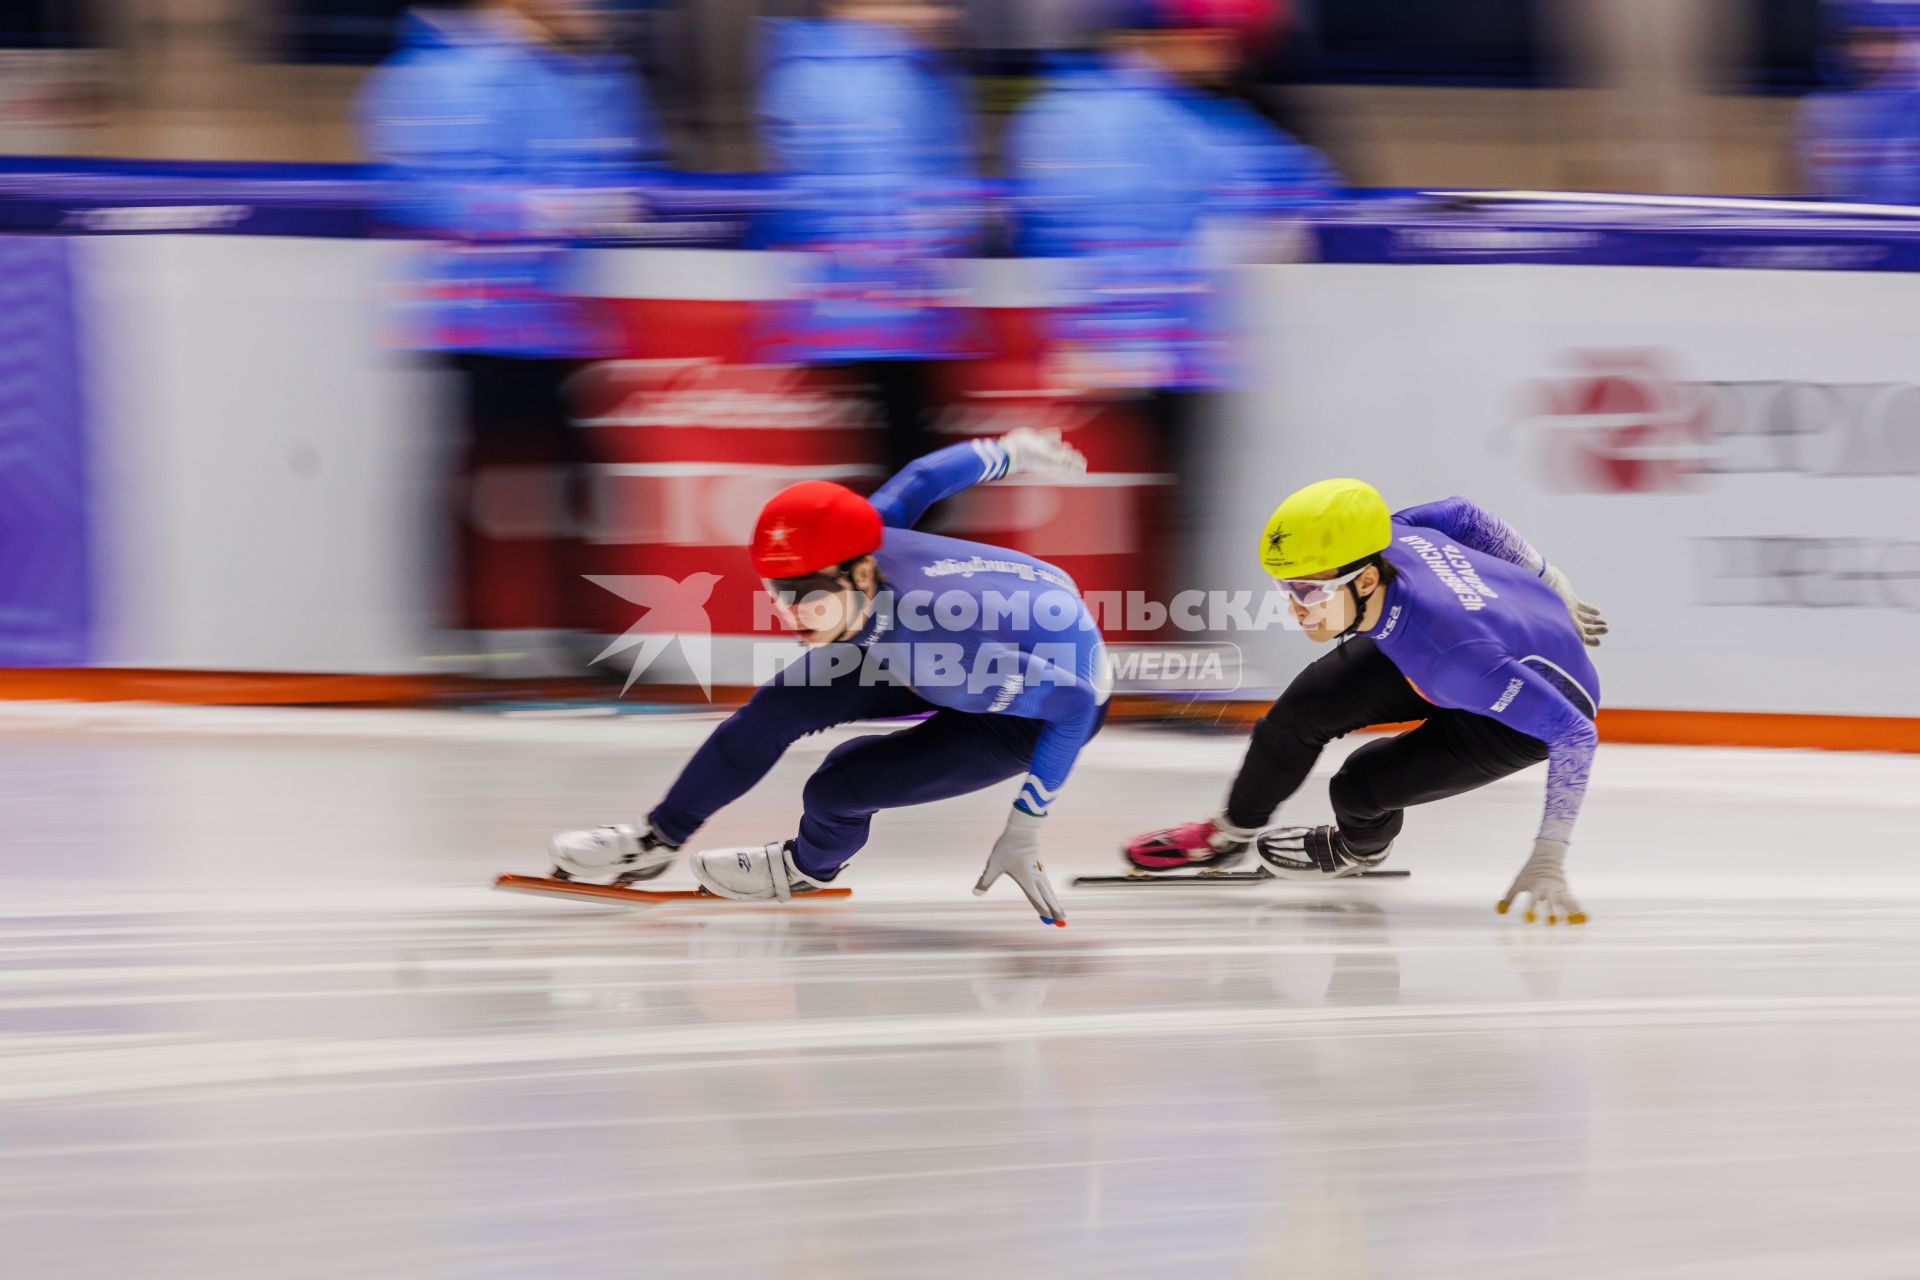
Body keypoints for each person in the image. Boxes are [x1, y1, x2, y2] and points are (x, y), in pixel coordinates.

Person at [546, 429, 1108, 926]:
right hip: (971, 632)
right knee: (776, 707)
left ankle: (805, 868)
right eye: (779, 594)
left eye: (807, 596)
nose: (792, 614)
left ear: (860, 574)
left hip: (1031, 701)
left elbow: (1076, 705)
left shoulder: (938, 651)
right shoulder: (862, 540)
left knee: (841, 784)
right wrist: (1010, 450)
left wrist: (1025, 827)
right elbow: (923, 476)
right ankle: (655, 839)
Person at [1124, 480, 1608, 925]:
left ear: (1367, 581)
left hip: (1511, 709)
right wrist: (1551, 577)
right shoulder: (1386, 540)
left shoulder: (1453, 657)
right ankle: (1230, 835)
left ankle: (1360, 848)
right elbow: (1464, 514)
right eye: (1285, 589)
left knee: (1359, 786)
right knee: (1297, 716)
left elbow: (1575, 734)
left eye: (1310, 591)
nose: (1296, 609)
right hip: (1449, 644)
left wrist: (1550, 851)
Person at [356, 0, 662, 671]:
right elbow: (420, 191)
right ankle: (466, 640)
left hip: (555, 313)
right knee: (486, 471)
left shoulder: (578, 71)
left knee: (576, 472)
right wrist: (538, 208)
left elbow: (622, 167)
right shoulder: (438, 73)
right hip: (475, 312)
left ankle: (578, 634)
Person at [756, 0, 982, 478]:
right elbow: (836, 188)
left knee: (909, 455)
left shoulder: (916, 67)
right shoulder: (831, 73)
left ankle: (880, 544)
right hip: (871, 300)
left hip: (901, 303)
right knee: (905, 456)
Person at [1800, 0, 1920, 204]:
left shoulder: (1911, 109)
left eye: (1876, 38)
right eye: (1851, 39)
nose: (1861, 51)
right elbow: (1808, 197)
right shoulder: (1818, 111)